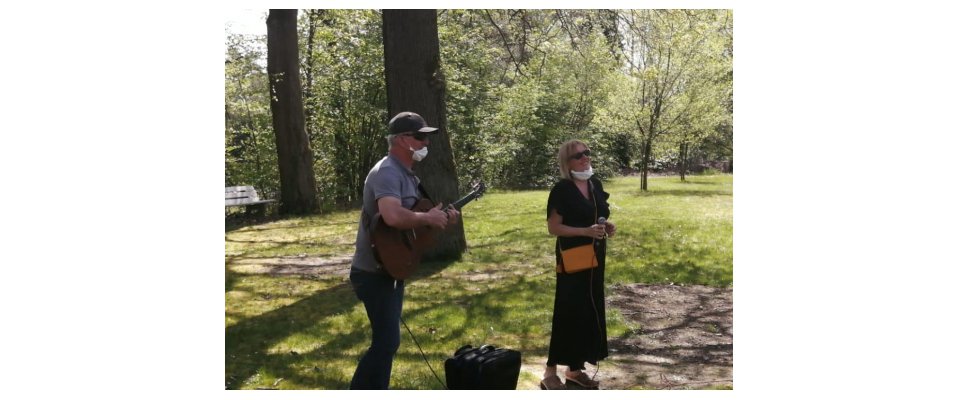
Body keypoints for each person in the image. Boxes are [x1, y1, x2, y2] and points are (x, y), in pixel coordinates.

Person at [349, 111, 460, 389]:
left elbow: (411, 222)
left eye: (427, 137)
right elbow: (392, 216)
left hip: (391, 266)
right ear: (401, 139)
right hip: (372, 271)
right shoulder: (387, 171)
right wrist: (427, 218)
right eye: (421, 137)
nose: (426, 143)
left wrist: (438, 218)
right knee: (387, 342)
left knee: (387, 343)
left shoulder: (406, 174)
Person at [540, 139, 616, 390]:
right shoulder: (562, 189)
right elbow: (554, 228)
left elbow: (599, 217)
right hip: (572, 257)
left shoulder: (594, 184)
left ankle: (574, 369)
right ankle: (550, 372)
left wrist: (607, 227)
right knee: (568, 310)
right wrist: (585, 230)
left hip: (596, 257)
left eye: (587, 153)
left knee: (588, 309)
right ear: (567, 163)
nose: (585, 158)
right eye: (578, 156)